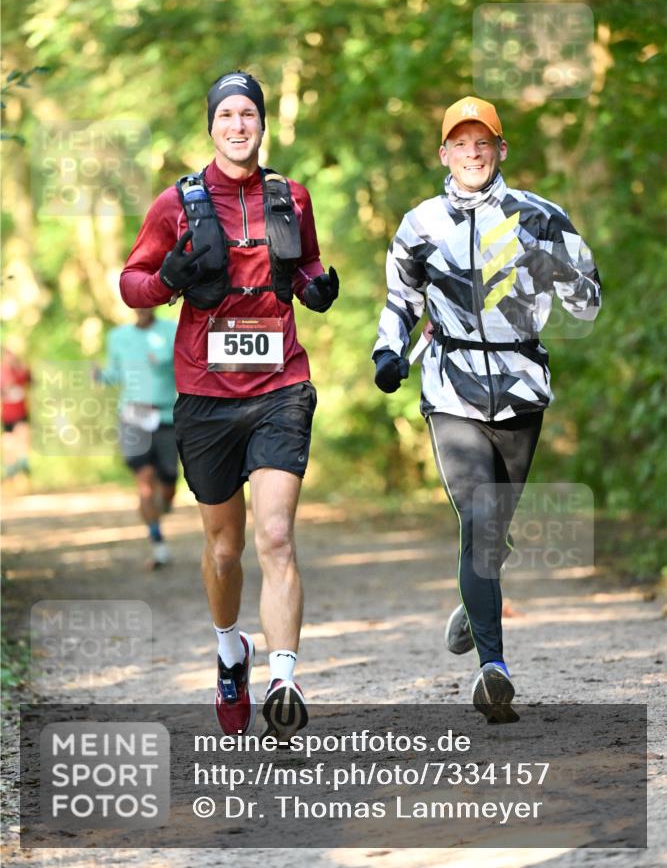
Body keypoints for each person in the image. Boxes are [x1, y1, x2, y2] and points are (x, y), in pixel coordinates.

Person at [119, 70, 339, 740]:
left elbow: (304, 265)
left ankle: (283, 679)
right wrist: (167, 280)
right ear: (211, 125)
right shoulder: (175, 204)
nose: (238, 125)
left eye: (249, 114)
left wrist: (315, 286)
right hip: (205, 395)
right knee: (224, 550)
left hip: (279, 387)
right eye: (227, 115)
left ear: (261, 124)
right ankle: (228, 650)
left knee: (275, 536)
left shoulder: (289, 196)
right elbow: (131, 285)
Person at [373, 96, 601, 724]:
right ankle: (494, 669)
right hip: (450, 386)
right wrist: (388, 353)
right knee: (478, 516)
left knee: (493, 534)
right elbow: (400, 299)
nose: (472, 154)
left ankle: (476, 605)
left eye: (484, 144)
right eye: (460, 144)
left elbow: (588, 302)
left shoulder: (540, 216)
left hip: (522, 386)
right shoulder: (420, 224)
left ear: (500, 150)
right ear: (443, 152)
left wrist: (555, 264)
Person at [95, 308, 178, 568]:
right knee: (144, 481)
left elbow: (187, 365)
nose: (142, 308)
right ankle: (158, 544)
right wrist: (99, 375)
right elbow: (114, 374)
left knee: (168, 484)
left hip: (166, 416)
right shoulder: (118, 336)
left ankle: (164, 503)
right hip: (132, 417)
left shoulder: (172, 330)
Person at [1, 346, 31, 481]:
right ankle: (10, 469)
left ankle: (23, 463)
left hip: (21, 412)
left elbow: (30, 379)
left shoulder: (19, 370)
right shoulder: (2, 372)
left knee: (22, 436)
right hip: (8, 415)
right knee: (9, 441)